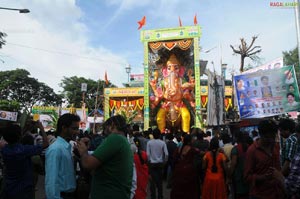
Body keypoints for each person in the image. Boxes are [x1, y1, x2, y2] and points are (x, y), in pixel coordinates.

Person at [76, 115, 133, 199]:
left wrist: (83, 152)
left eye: (105, 128)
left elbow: (87, 164)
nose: (104, 132)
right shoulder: (123, 141)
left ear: (112, 126)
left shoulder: (115, 139)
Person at [1, 122, 48, 199]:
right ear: (19, 136)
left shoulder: (4, 149)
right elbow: (46, 144)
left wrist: (26, 129)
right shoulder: (24, 150)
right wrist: (41, 128)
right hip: (24, 190)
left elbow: (15, 138)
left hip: (9, 188)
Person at [149, 53, 192, 133]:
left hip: (179, 104)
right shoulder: (163, 82)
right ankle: (161, 133)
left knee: (186, 115)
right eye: (169, 68)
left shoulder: (181, 81)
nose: (172, 70)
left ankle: (186, 134)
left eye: (176, 68)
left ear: (180, 69)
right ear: (165, 70)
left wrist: (189, 97)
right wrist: (154, 88)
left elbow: (186, 93)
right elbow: (159, 95)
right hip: (167, 105)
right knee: (159, 117)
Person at [244, 120, 285, 199]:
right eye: (267, 137)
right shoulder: (252, 151)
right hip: (260, 195)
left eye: (273, 137)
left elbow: (278, 167)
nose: (270, 140)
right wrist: (263, 177)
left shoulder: (275, 146)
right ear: (261, 135)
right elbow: (246, 177)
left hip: (277, 193)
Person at [45, 113, 80, 199]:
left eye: (77, 129)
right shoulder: (56, 149)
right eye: (74, 129)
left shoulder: (66, 147)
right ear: (64, 128)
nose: (77, 132)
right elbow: (51, 181)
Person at [170, 134, 200, 199]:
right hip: (188, 171)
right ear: (189, 141)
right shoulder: (192, 149)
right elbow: (199, 152)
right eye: (192, 140)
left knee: (179, 187)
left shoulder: (179, 148)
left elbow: (174, 157)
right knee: (188, 189)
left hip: (178, 169)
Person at [146, 128, 168, 199]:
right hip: (160, 164)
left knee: (152, 182)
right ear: (159, 135)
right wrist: (164, 161)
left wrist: (149, 161)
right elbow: (167, 154)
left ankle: (153, 197)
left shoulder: (149, 143)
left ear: (153, 135)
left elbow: (148, 154)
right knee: (159, 183)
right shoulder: (162, 143)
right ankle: (160, 196)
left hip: (152, 164)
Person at [230, 132, 249, 199]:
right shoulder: (249, 147)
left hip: (239, 177)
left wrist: (229, 175)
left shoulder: (235, 149)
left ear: (237, 138)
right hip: (248, 176)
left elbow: (233, 163)